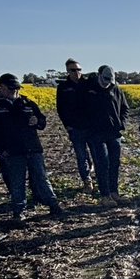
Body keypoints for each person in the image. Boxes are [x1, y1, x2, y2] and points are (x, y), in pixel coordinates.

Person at [0, 73, 65, 223]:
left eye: (16, 89)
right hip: (13, 151)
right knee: (17, 182)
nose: (14, 92)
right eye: (11, 89)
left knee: (42, 178)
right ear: (2, 87)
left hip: (33, 147)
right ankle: (19, 211)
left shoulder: (27, 103)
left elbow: (42, 122)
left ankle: (53, 204)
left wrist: (37, 121)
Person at [84, 64, 128, 207]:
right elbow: (79, 109)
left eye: (110, 80)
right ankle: (105, 195)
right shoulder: (89, 89)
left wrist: (121, 123)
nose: (107, 82)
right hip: (96, 133)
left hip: (113, 133)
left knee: (115, 163)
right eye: (105, 79)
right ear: (99, 75)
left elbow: (124, 108)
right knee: (102, 163)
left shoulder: (116, 90)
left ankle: (114, 192)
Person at [56, 58, 95, 194]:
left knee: (95, 153)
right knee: (81, 155)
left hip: (91, 127)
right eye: (73, 70)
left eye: (79, 69)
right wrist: (68, 125)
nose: (77, 72)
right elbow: (60, 108)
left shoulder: (88, 84)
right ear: (67, 71)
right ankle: (87, 181)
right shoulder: (63, 87)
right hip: (75, 127)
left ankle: (98, 177)